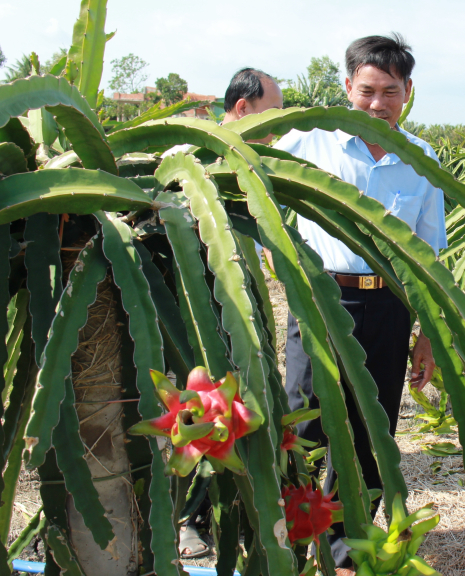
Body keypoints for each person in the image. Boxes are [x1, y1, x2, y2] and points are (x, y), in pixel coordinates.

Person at [273, 33, 444, 573]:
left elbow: (430, 256)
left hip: (389, 307)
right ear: (347, 86)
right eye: (367, 90)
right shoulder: (305, 143)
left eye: (390, 91)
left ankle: (347, 553)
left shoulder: (422, 160)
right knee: (306, 427)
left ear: (408, 92)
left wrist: (429, 336)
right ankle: (298, 543)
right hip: (319, 301)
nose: (377, 104)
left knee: (374, 429)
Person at [173, 67, 283, 560]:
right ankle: (185, 518)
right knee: (197, 406)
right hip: (193, 307)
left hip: (232, 307)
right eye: (273, 111)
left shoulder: (245, 159)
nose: (279, 124)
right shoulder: (192, 158)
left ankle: (228, 510)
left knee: (233, 407)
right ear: (243, 109)